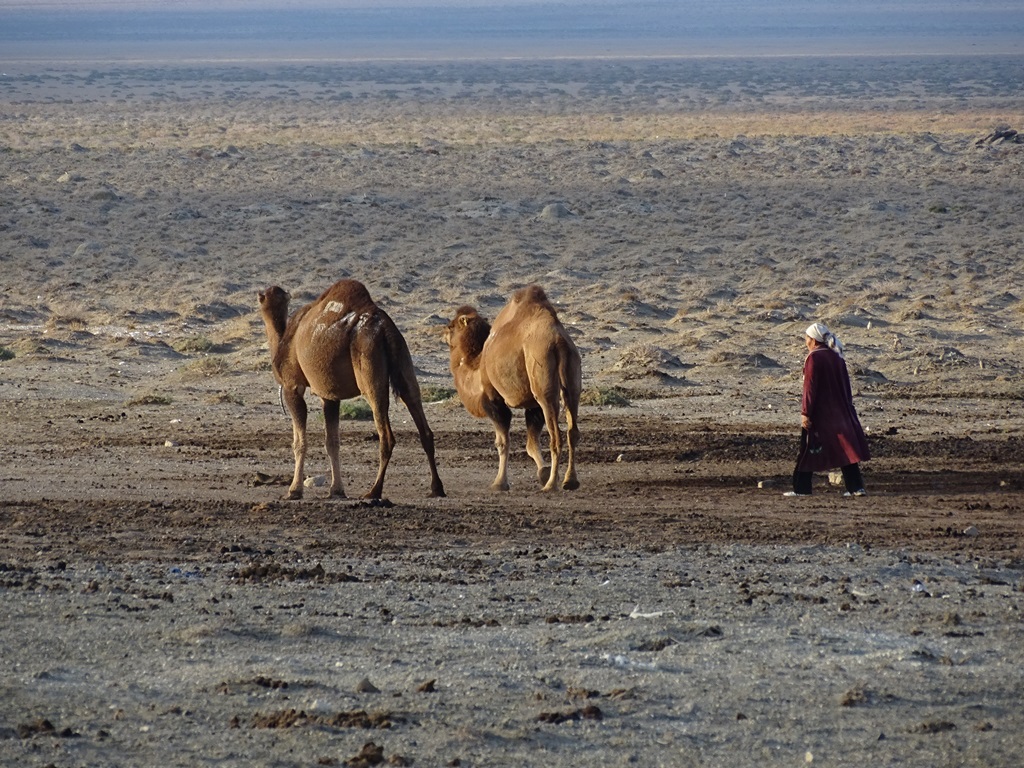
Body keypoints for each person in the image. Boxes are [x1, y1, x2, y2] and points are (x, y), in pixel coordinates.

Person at [786, 322, 870, 497]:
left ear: (813, 340)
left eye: (806, 338)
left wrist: (805, 412)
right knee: (846, 448)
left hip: (821, 413)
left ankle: (802, 489)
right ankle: (856, 488)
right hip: (841, 410)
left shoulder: (814, 358)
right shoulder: (837, 356)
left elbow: (809, 388)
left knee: (808, 448)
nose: (805, 341)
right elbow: (846, 386)